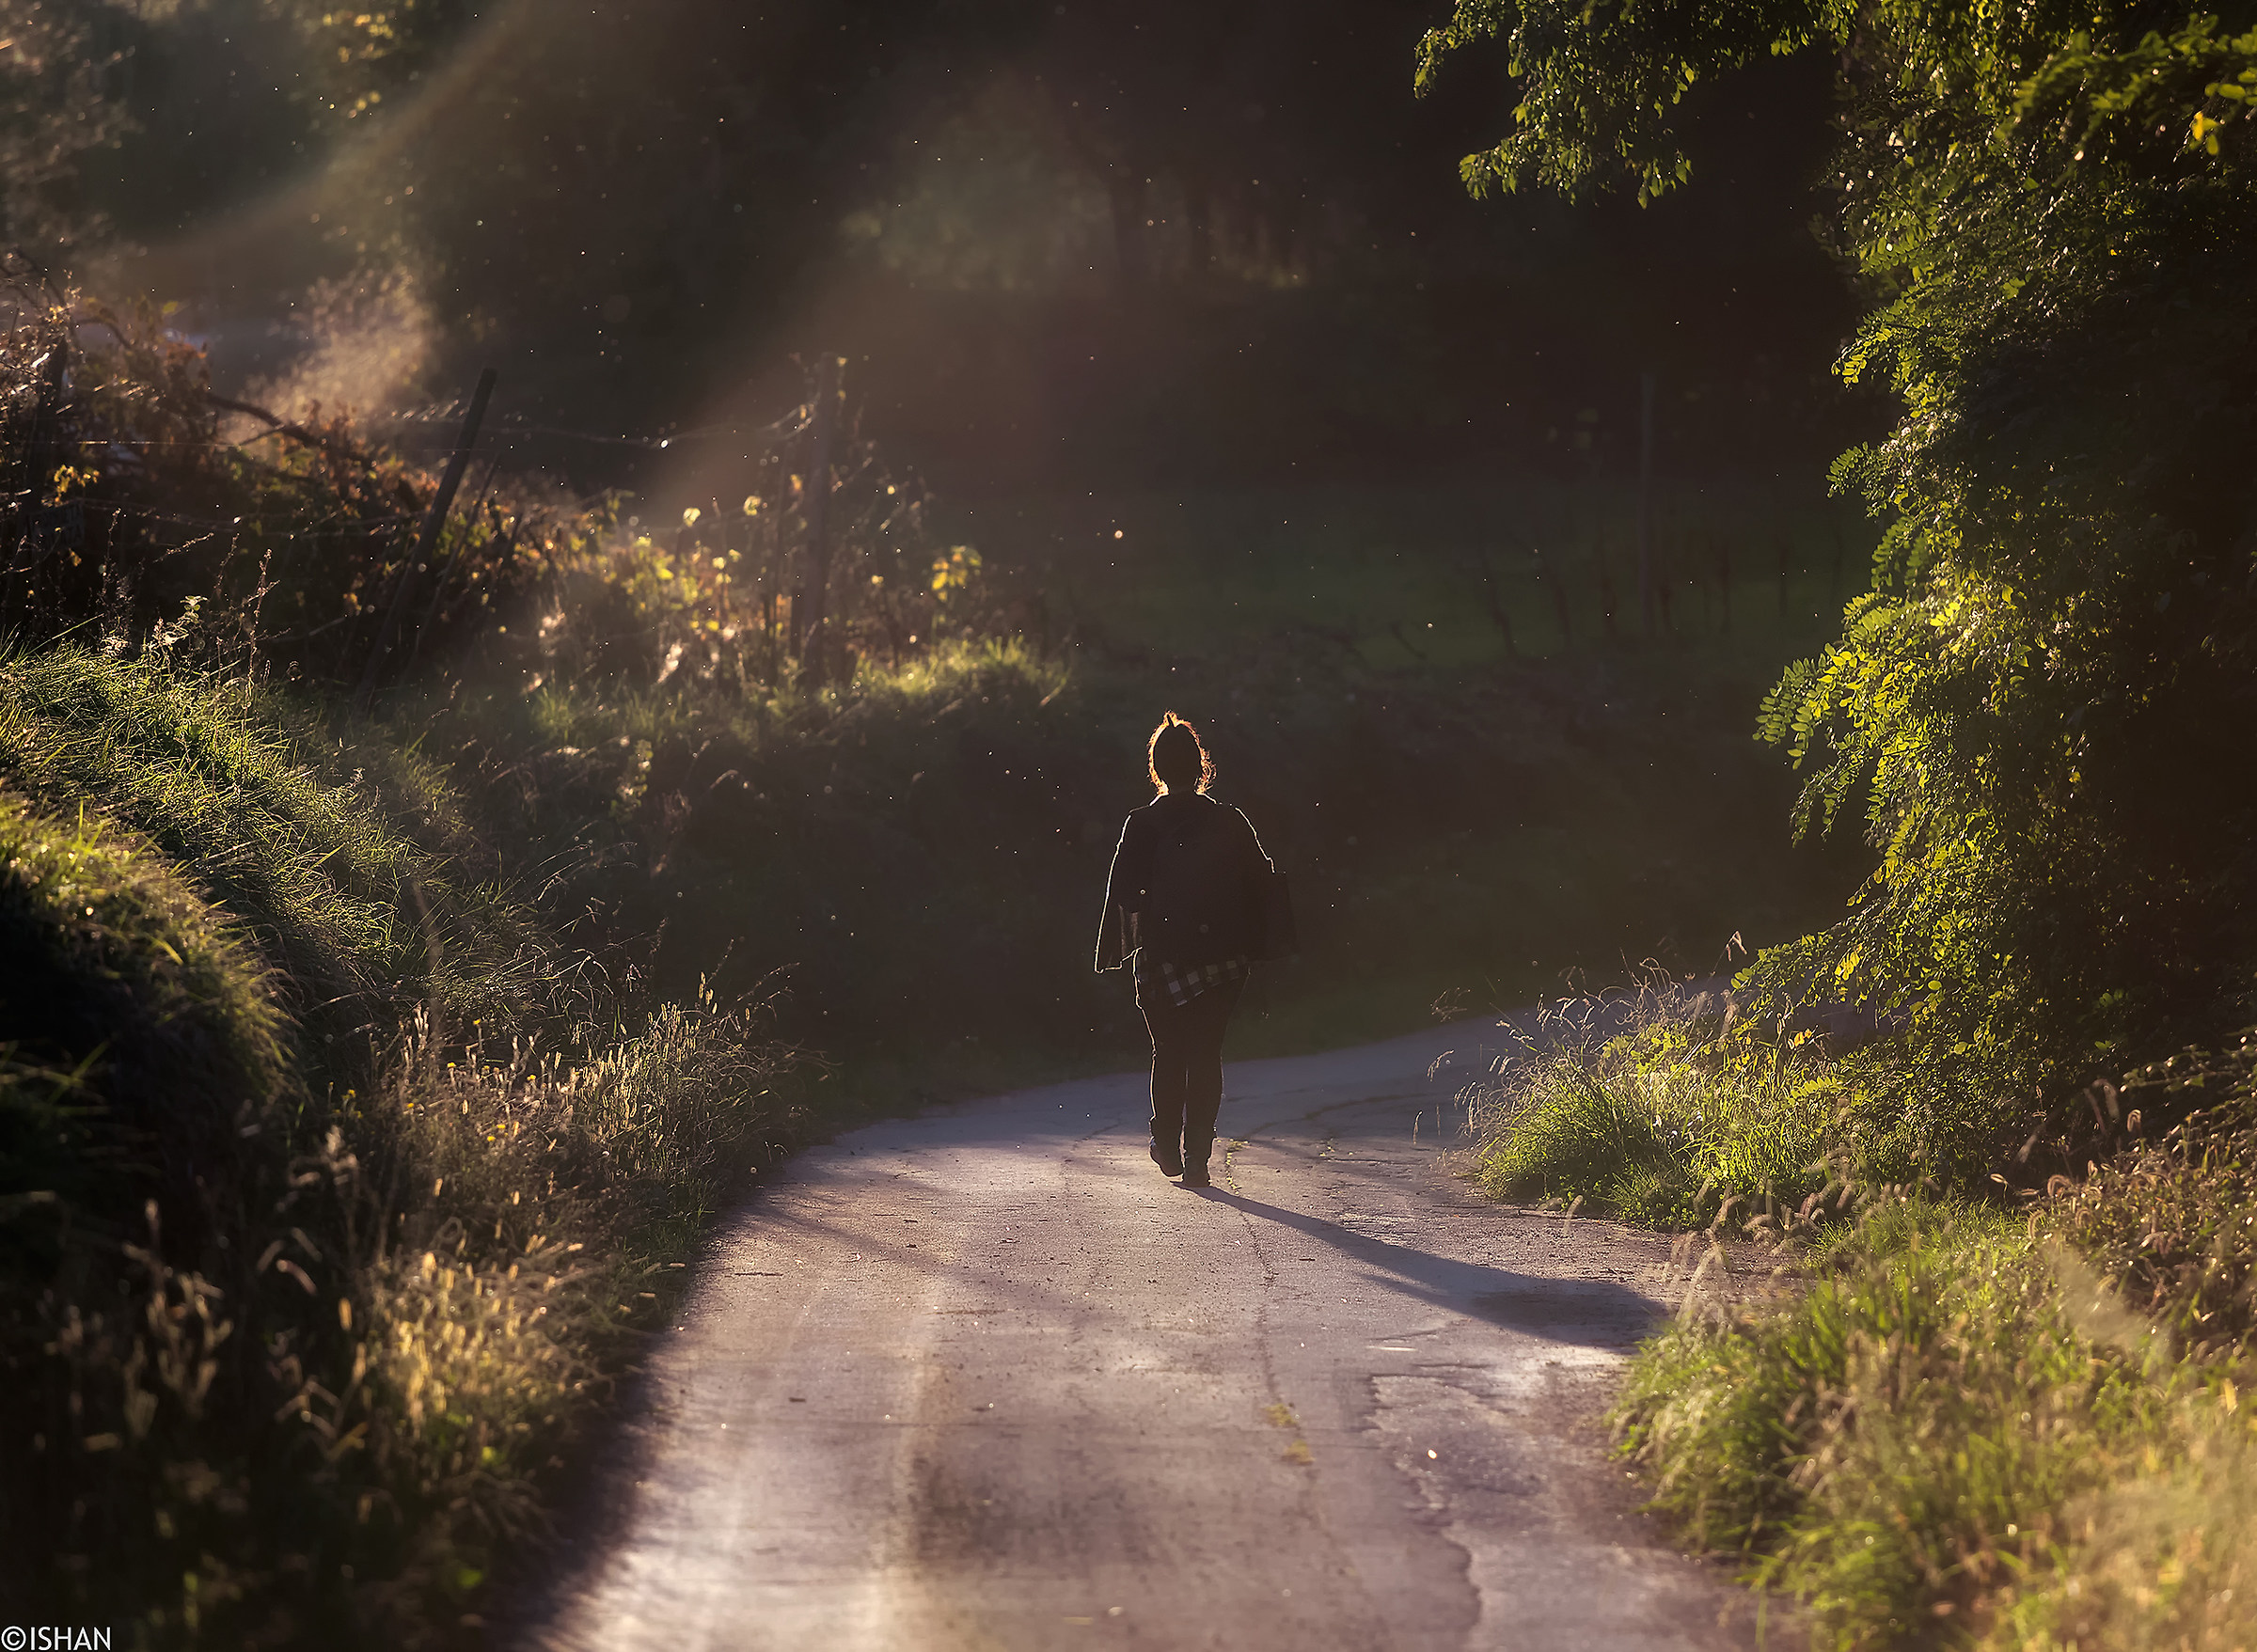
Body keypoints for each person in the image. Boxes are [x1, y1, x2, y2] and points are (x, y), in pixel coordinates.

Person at [1094, 713, 1275, 1188]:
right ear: (1201, 768)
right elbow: (1261, 884)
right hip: (1222, 963)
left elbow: (1124, 893)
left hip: (1161, 961)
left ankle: (1165, 1143)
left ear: (1156, 768)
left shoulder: (1141, 824)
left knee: (1168, 1052)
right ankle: (1198, 1157)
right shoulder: (1229, 821)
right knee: (1206, 1053)